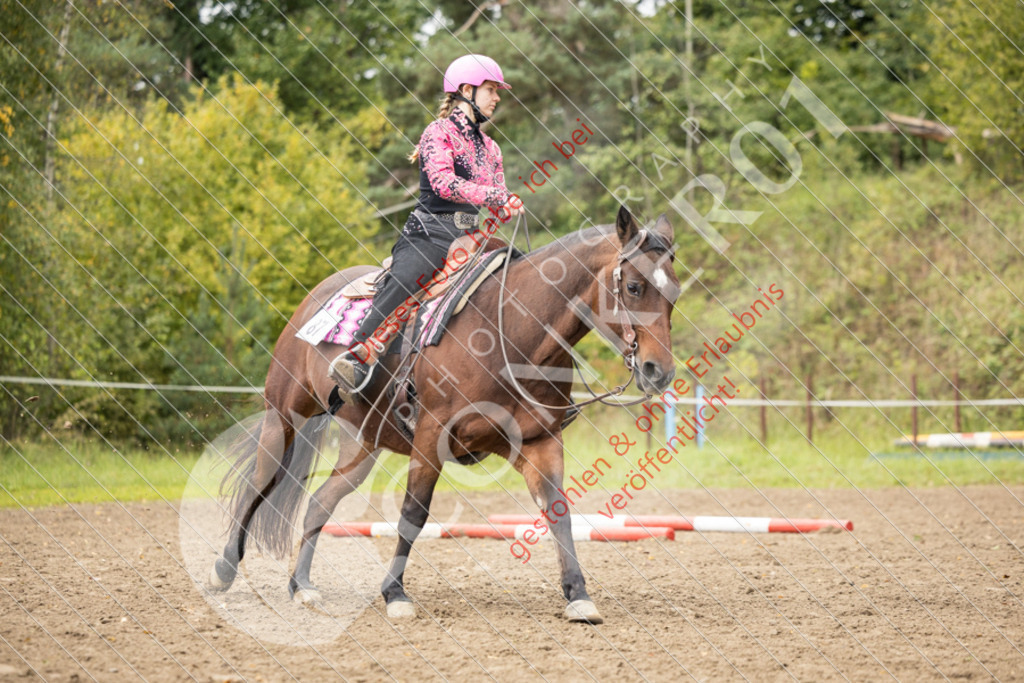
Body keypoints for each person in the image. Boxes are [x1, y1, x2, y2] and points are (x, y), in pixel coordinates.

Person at [328, 54, 524, 402]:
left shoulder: (492, 148)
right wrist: (498, 194)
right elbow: (444, 183)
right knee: (408, 279)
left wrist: (506, 205)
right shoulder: (438, 133)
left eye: (497, 91)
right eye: (491, 90)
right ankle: (357, 357)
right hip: (429, 235)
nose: (497, 98)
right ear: (466, 90)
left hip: (472, 238)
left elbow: (494, 196)